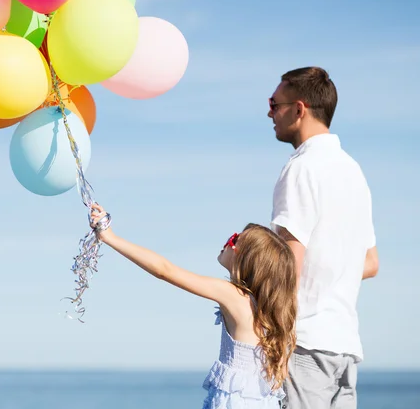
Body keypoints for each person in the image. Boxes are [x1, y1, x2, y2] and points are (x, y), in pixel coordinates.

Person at [89, 203, 298, 408]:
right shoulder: (268, 315)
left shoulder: (234, 296)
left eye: (234, 239)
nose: (227, 241)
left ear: (245, 258)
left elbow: (165, 270)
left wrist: (109, 237)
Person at [268, 66, 379, 409]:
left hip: (306, 345)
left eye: (275, 103)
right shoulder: (353, 170)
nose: (269, 112)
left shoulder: (302, 167)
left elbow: (291, 260)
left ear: (299, 109)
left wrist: (271, 335)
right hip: (345, 348)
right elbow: (370, 262)